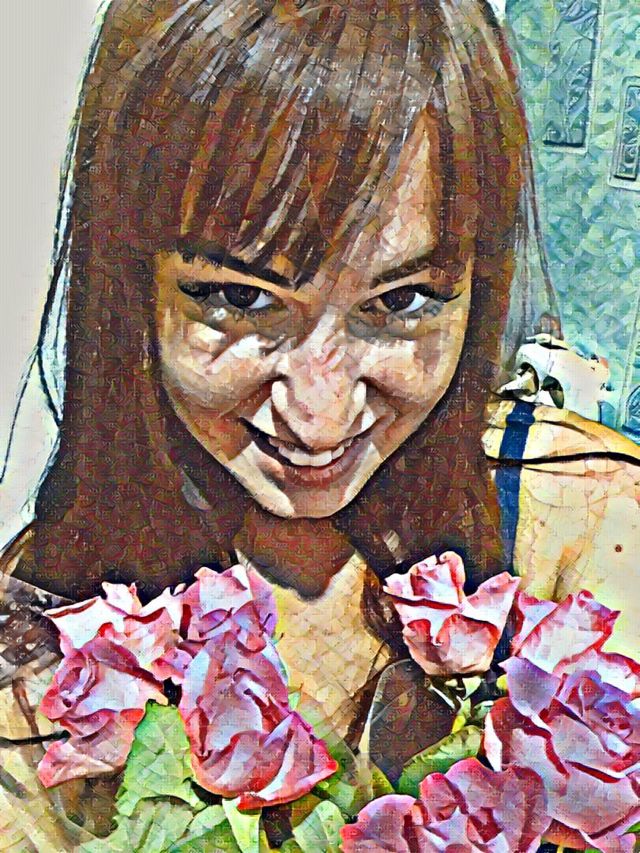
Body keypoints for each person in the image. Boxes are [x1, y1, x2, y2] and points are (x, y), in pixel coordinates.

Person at [1, 0, 638, 847]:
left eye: (402, 301)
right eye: (239, 297)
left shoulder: (592, 529)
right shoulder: (47, 649)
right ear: (131, 291)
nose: (320, 413)